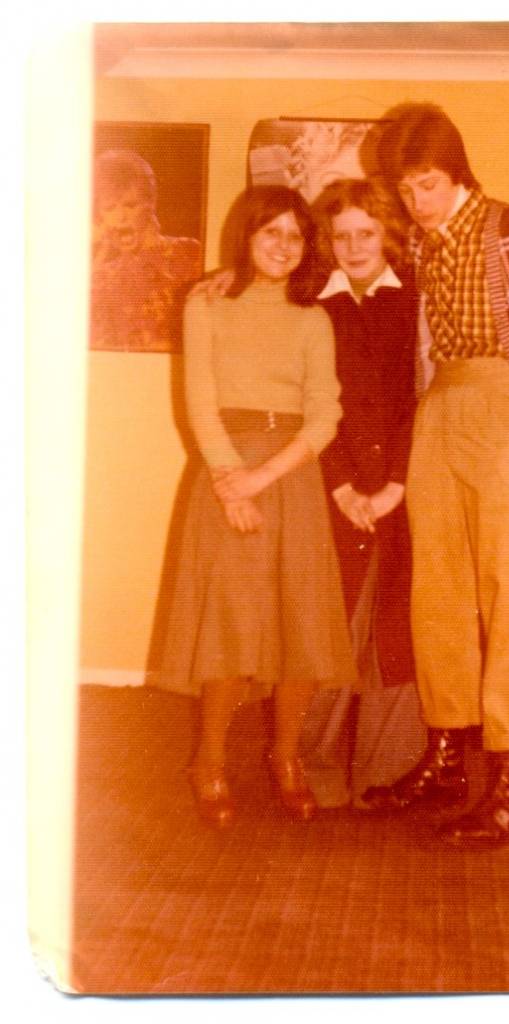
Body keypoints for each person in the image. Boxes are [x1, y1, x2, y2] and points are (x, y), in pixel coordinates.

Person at [360, 103, 509, 847]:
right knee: (439, 597)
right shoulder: (421, 249)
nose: (418, 203)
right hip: (441, 411)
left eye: (426, 184)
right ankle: (447, 759)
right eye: (406, 191)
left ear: (454, 170)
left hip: (504, 408)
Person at [157, 185, 356, 828]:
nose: (283, 247)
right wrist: (228, 479)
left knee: (302, 625)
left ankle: (286, 757)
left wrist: (263, 478)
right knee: (231, 624)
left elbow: (325, 414)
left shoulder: (313, 318)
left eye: (295, 236)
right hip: (225, 470)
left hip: (290, 475)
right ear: (245, 236)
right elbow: (199, 398)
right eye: (270, 232)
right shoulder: (207, 301)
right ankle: (208, 761)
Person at [298, 178, 427, 808]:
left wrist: (395, 487)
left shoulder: (417, 304)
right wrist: (345, 487)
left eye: (366, 233)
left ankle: (384, 770)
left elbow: (420, 401)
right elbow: (312, 407)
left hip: (404, 490)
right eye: (341, 235)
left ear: (387, 236)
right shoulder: (311, 307)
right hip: (334, 487)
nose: (353, 246)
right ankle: (314, 765)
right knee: (332, 625)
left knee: (395, 627)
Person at [90, 149, 203, 351]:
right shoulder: (100, 276)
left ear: (150, 204)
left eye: (130, 205)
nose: (121, 217)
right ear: (100, 216)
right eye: (109, 208)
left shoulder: (189, 253)